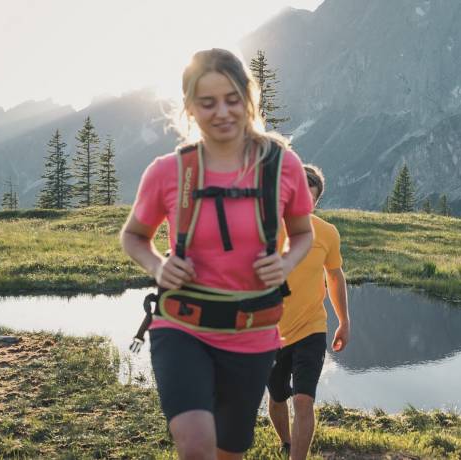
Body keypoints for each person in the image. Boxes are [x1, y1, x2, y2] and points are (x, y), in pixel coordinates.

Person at [120, 48, 314, 460]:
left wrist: (285, 262)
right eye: (207, 103)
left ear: (249, 98)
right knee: (196, 444)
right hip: (181, 326)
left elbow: (303, 232)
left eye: (232, 99)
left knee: (228, 453)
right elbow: (134, 236)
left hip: (253, 334)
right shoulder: (168, 171)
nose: (222, 112)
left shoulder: (283, 166)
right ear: (189, 107)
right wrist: (158, 265)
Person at [267, 164, 350, 460]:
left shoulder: (327, 233)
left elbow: (335, 276)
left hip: (311, 328)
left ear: (315, 203)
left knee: (303, 401)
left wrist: (343, 321)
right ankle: (287, 442)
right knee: (277, 396)